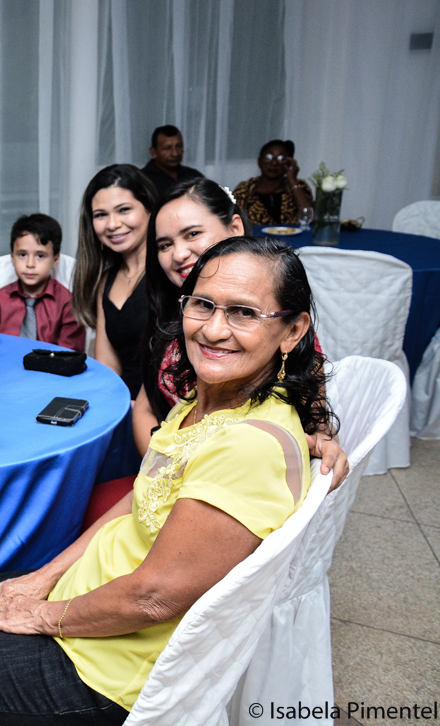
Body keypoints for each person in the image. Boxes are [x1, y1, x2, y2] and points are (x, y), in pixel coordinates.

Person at [0, 236, 328, 725]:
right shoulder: (206, 400)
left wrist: (41, 616)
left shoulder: (248, 444)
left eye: (243, 313)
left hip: (112, 666)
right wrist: (43, 577)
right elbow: (139, 499)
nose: (214, 330)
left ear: (292, 331)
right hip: (97, 599)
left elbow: (153, 598)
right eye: (203, 304)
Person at [134, 179, 349, 488]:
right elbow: (145, 407)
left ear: (235, 227)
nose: (178, 253)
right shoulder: (175, 309)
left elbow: (313, 418)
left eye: (192, 234)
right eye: (165, 245)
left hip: (224, 481)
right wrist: (158, 476)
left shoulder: (274, 328)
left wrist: (326, 440)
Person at [70, 165, 156, 398]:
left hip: (166, 408)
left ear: (150, 209)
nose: (112, 224)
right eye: (101, 215)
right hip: (123, 403)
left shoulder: (170, 271)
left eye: (124, 210)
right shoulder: (105, 282)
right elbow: (108, 369)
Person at [0, 213, 85, 351]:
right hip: (3, 363)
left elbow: (69, 355)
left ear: (55, 260)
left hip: (51, 365)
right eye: (22, 255)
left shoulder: (68, 304)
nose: (30, 264)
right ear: (12, 257)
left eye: (40, 256)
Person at [232, 139, 314, 226]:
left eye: (281, 158)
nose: (274, 163)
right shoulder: (245, 189)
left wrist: (293, 180)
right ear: (259, 162)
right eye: (268, 157)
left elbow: (310, 219)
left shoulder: (299, 186)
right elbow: (232, 222)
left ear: (289, 163)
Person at [141, 125, 203, 197]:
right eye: (168, 148)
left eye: (178, 146)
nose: (175, 153)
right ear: (153, 152)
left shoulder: (193, 176)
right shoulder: (143, 180)